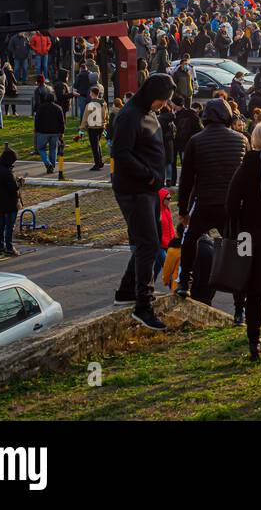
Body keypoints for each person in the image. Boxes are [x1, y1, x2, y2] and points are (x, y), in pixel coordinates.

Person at [111, 72, 176, 331]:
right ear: (151, 95)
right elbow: (121, 153)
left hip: (148, 190)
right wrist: (149, 177)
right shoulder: (129, 116)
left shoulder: (148, 112)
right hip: (134, 190)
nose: (163, 105)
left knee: (147, 241)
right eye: (161, 100)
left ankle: (126, 291)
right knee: (148, 244)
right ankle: (143, 305)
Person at [174, 98, 249, 297]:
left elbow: (187, 180)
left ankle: (184, 283)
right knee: (238, 251)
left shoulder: (196, 141)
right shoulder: (241, 140)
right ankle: (240, 305)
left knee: (190, 240)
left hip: (204, 202)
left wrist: (182, 210)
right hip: (231, 206)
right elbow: (246, 177)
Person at [229, 119, 261, 361]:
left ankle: (253, 340)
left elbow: (230, 203)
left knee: (253, 291)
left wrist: (238, 227)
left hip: (247, 235)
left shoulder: (246, 166)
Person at [0, 146, 24, 257]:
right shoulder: (8, 172)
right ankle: (9, 247)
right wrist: (20, 182)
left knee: (2, 225)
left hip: (0, 201)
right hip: (11, 203)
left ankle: (0, 247)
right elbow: (14, 188)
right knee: (10, 226)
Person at [32, 89, 65, 174]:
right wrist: (62, 132)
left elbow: (37, 120)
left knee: (41, 148)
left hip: (42, 132)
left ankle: (48, 163)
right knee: (53, 149)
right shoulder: (58, 108)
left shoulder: (41, 108)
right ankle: (52, 166)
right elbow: (62, 121)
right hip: (55, 132)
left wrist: (36, 129)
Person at [82, 85, 107, 170]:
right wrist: (105, 123)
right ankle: (100, 161)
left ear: (92, 93)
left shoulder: (89, 104)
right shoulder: (103, 103)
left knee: (94, 146)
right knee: (98, 144)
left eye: (90, 92)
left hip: (92, 127)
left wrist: (82, 128)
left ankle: (97, 164)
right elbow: (105, 115)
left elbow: (85, 117)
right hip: (101, 126)